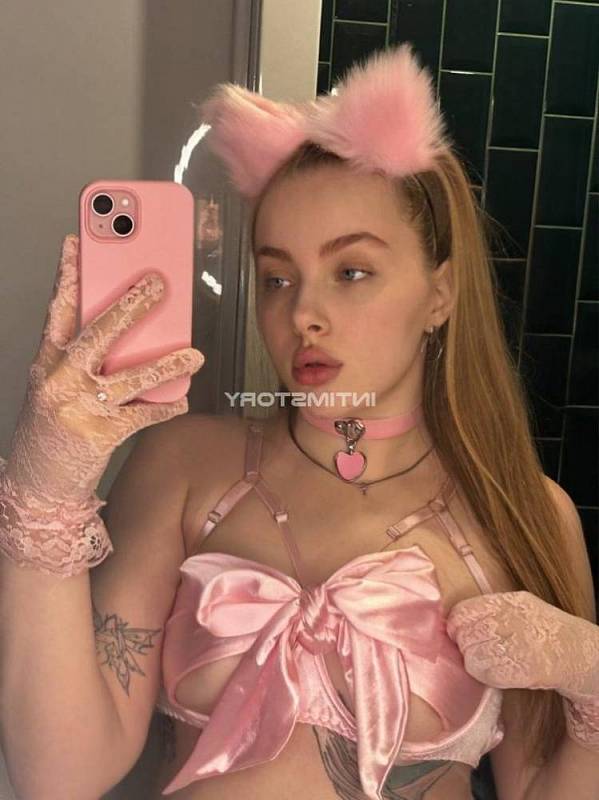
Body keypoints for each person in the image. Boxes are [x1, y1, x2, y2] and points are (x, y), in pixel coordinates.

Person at [0, 43, 597, 800]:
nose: (303, 313)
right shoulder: (183, 466)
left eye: (351, 271)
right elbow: (57, 777)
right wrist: (43, 493)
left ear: (440, 294)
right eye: (277, 277)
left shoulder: (523, 512)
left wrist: (592, 682)